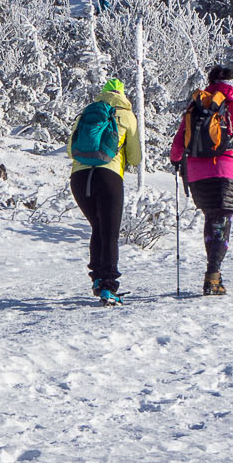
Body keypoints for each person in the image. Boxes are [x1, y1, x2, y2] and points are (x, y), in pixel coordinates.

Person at [168, 65, 233, 295]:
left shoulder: (196, 106)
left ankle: (215, 274)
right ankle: (212, 278)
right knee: (221, 222)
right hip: (224, 171)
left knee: (211, 219)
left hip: (196, 174)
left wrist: (175, 161)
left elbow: (179, 140)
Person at [69, 77, 143, 303]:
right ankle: (108, 287)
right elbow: (135, 156)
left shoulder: (86, 114)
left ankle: (97, 279)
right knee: (109, 232)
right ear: (122, 95)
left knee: (98, 228)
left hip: (79, 178)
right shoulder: (127, 116)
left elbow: (71, 149)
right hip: (108, 176)